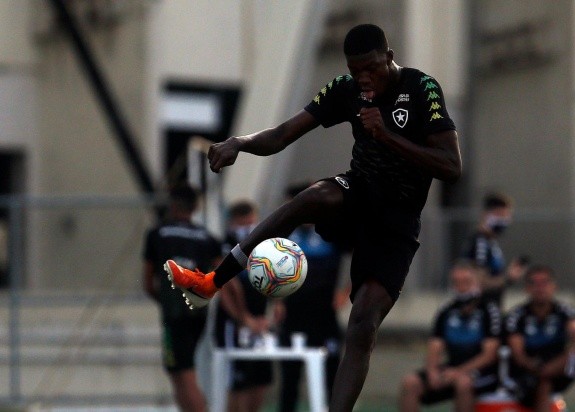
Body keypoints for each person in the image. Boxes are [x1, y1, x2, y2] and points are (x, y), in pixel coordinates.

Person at [164, 23, 461, 411]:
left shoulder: (422, 88)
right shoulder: (345, 89)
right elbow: (282, 134)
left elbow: (451, 166)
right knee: (311, 197)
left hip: (397, 221)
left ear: (389, 57)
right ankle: (211, 282)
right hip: (358, 192)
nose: (363, 79)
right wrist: (240, 143)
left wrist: (387, 135)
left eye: (370, 69)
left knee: (363, 324)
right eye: (355, 71)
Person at [142, 183, 221, 412]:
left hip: (174, 313)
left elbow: (148, 282)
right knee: (178, 371)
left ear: (172, 205)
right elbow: (224, 276)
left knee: (183, 374)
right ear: (196, 207)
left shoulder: (158, 234)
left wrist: (165, 300)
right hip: (198, 311)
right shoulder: (207, 238)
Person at [273, 181, 350, 412]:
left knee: (331, 375)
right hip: (293, 314)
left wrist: (346, 291)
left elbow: (361, 257)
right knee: (289, 378)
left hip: (324, 314)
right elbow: (271, 269)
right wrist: (277, 300)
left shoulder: (332, 231)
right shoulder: (286, 234)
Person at [398, 260, 501, 412]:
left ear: (478, 283)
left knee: (463, 383)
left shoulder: (489, 311)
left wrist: (459, 371)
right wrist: (432, 372)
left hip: (483, 372)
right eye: (456, 282)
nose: (461, 287)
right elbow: (435, 346)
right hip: (452, 367)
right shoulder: (446, 310)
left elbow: (489, 355)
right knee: (410, 382)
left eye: (466, 282)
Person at [214, 200, 273, 412]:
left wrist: (269, 316)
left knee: (260, 379)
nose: (249, 228)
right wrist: (243, 319)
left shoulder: (265, 246)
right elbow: (225, 289)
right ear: (233, 223)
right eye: (244, 224)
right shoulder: (224, 246)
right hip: (234, 323)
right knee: (237, 383)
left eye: (252, 223)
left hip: (259, 321)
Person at [504, 265, 575, 412]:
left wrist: (548, 369)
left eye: (545, 282)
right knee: (543, 383)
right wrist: (534, 368)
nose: (540, 288)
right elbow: (518, 354)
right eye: (534, 283)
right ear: (526, 288)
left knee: (574, 354)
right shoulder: (516, 316)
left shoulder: (565, 312)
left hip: (556, 367)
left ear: (554, 286)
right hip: (525, 372)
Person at [462, 192, 527, 311]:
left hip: (493, 309)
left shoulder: (491, 242)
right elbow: (478, 282)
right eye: (500, 215)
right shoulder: (480, 243)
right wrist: (508, 278)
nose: (504, 220)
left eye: (506, 216)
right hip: (481, 311)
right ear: (486, 215)